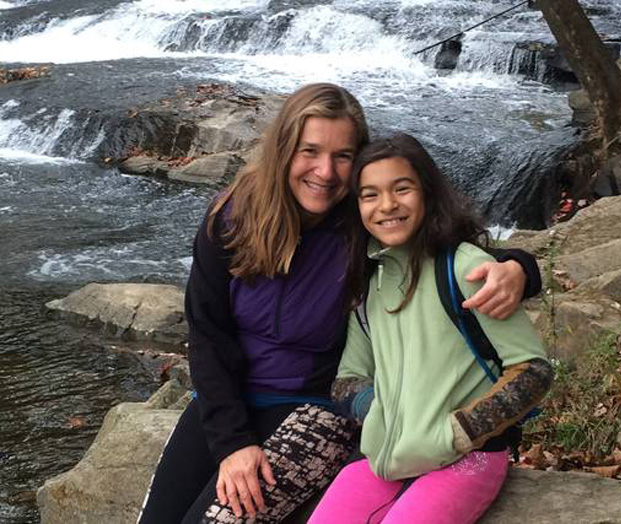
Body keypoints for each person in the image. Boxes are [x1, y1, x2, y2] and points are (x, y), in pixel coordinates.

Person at [137, 84, 542, 524]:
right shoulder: (234, 217)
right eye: (309, 151)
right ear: (284, 150)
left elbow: (444, 246)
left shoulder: (362, 222)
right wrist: (233, 442)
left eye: (343, 156)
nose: (325, 172)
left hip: (318, 407)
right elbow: (208, 330)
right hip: (232, 398)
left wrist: (520, 267)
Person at [309, 133, 553, 524]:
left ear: (427, 192)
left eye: (401, 189)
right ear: (357, 207)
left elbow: (533, 370)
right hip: (387, 457)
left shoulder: (466, 269)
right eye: (370, 195)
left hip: (467, 458)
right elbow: (348, 379)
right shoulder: (368, 283)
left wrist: (455, 432)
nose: (387, 205)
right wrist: (387, 416)